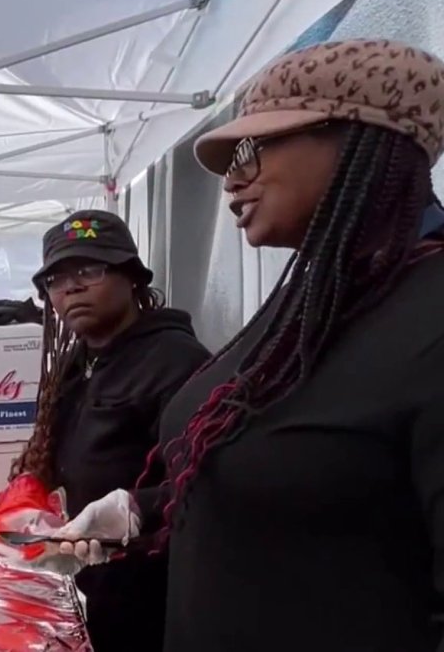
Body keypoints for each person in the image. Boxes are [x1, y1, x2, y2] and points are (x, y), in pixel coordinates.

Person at [56, 40, 444, 652]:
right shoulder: (312, 304)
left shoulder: (428, 318)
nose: (232, 179)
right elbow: (293, 485)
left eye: (249, 150)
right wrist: (142, 510)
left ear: (360, 138)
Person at [12, 210, 209, 652]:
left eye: (90, 269)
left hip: (153, 591)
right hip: (91, 582)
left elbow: (211, 479)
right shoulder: (78, 360)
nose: (71, 286)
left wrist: (139, 508)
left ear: (133, 277)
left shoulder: (178, 362)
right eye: (55, 279)